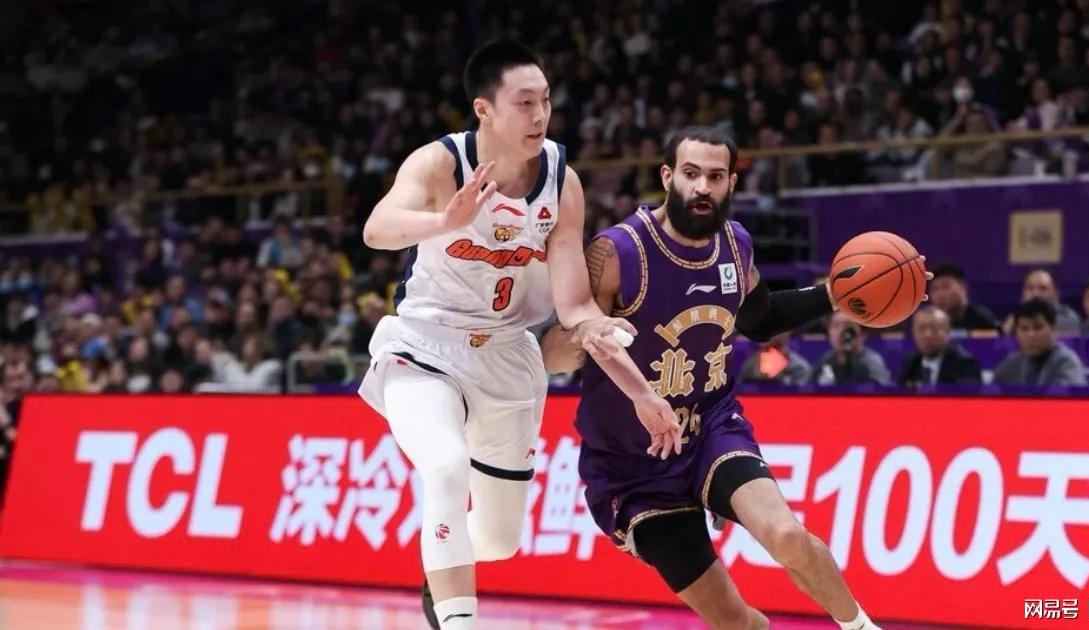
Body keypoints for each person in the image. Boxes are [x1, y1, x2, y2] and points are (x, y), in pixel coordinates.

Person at [356, 41, 679, 630]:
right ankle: (458, 616)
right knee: (446, 468)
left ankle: (444, 563)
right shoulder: (440, 163)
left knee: (499, 542)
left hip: (508, 356)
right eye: (524, 103)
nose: (540, 115)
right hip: (425, 346)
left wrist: (632, 378)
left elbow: (574, 305)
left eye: (546, 101)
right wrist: (445, 221)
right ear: (484, 109)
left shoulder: (561, 182)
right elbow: (377, 229)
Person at [545, 126, 919, 629]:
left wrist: (836, 295)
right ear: (667, 177)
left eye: (715, 176)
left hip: (710, 428)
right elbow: (551, 356)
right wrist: (588, 333)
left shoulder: (736, 245)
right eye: (691, 173)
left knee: (786, 536)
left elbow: (760, 320)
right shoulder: (618, 253)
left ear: (731, 183)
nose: (702, 186)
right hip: (631, 464)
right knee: (736, 622)